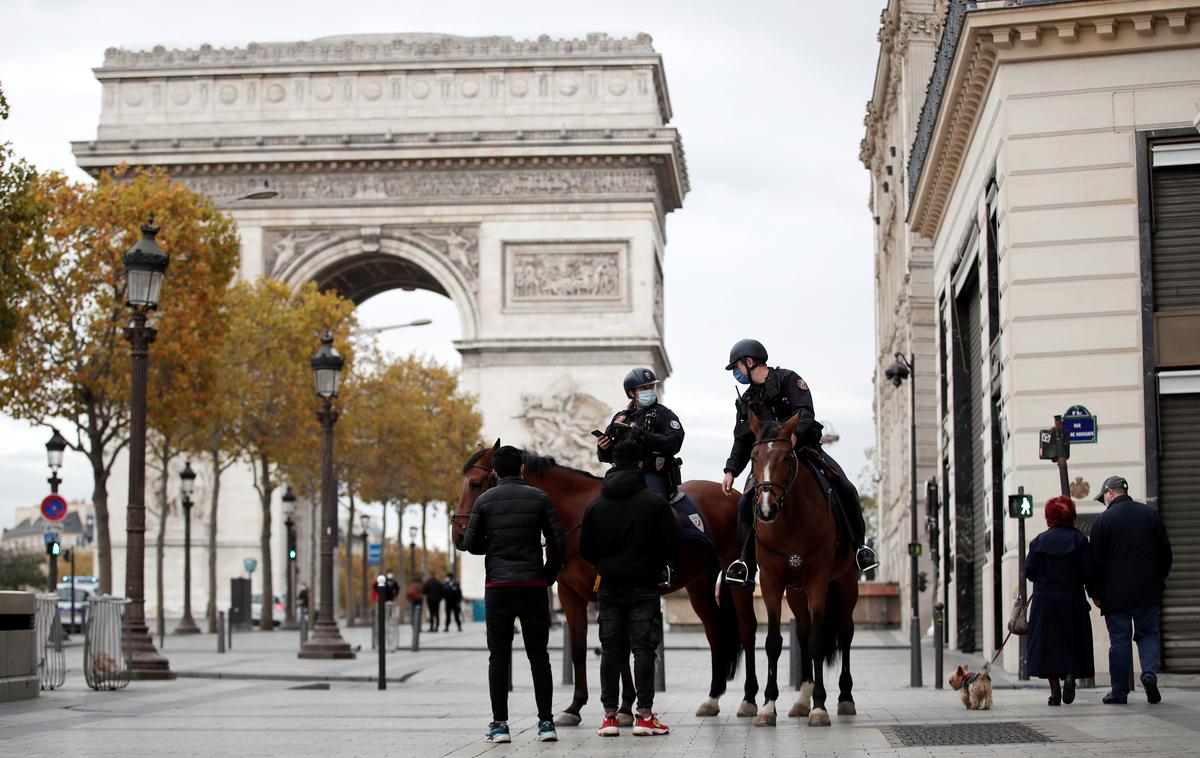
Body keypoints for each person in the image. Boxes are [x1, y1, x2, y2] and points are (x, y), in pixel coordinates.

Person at [721, 339, 878, 589]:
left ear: (749, 362)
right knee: (743, 505)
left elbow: (806, 412)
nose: (737, 373)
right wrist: (731, 470)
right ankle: (746, 565)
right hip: (769, 462)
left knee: (846, 489)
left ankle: (860, 550)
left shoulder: (788, 379)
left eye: (737, 367)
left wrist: (794, 436)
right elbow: (742, 439)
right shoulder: (748, 399)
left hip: (804, 450)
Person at [462, 444, 566, 743]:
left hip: (498, 588)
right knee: (539, 656)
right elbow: (557, 540)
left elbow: (471, 544)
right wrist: (549, 575)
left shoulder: (484, 501)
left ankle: (500, 724)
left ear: (494, 472)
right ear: (522, 468)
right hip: (533, 586)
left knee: (498, 656)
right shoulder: (539, 497)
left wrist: (491, 545)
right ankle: (546, 723)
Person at [581, 440, 681, 737]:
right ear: (640, 465)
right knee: (643, 651)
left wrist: (606, 562)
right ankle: (645, 717)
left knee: (611, 651)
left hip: (609, 586)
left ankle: (610, 717)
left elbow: (586, 549)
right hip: (644, 586)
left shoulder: (596, 505)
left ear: (612, 465)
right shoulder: (654, 503)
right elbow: (672, 545)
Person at [1088, 475, 1173, 705]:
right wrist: (1159, 580)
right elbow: (1165, 553)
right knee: (1147, 634)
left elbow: (1094, 562)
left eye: (1104, 496)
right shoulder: (1150, 515)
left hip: (1115, 595)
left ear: (1111, 493)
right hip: (1147, 591)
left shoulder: (1102, 522)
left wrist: (1095, 592)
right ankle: (1148, 675)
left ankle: (1119, 691)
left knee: (1120, 642)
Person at [1025, 496, 1094, 706]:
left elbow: (1029, 571)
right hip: (1072, 598)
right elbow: (1088, 572)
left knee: (1047, 645)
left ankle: (1054, 692)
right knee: (1072, 640)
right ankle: (1071, 674)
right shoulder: (1080, 540)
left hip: (1045, 601)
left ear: (1049, 517)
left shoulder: (1038, 541)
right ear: (1070, 516)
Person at [596, 367, 685, 500]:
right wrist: (603, 447)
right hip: (621, 473)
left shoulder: (663, 414)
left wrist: (645, 436)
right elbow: (605, 457)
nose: (649, 391)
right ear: (632, 393)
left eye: (651, 387)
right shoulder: (621, 418)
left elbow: (674, 443)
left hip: (651, 473)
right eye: (644, 389)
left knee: (655, 504)